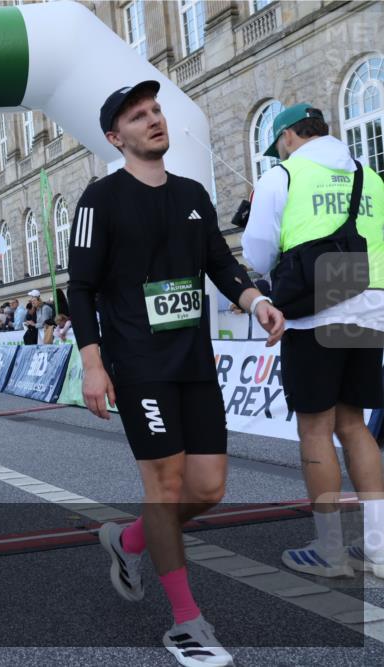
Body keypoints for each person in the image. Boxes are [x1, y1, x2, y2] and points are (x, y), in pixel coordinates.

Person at [68, 80, 285, 667]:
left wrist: (255, 301)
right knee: (163, 491)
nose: (154, 120)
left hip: (192, 360)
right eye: (138, 117)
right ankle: (187, 622)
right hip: (138, 364)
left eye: (156, 110)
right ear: (117, 137)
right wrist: (93, 363)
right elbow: (80, 288)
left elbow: (219, 263)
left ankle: (129, 539)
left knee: (209, 488)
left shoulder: (192, 193)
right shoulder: (99, 200)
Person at [243, 103, 384, 578]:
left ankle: (330, 550)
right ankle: (379, 549)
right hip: (370, 307)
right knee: (356, 426)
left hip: (317, 308)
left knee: (315, 430)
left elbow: (258, 255)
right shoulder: (371, 177)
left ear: (287, 137)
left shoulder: (282, 176)